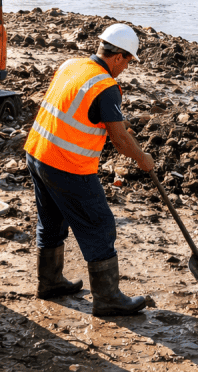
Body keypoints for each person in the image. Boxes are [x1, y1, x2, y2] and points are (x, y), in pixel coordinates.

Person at [25, 23, 155, 315]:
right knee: (99, 226)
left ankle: (50, 282)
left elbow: (74, 107)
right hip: (66, 164)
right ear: (118, 57)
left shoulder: (72, 65)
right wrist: (142, 158)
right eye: (128, 62)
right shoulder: (105, 86)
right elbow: (120, 140)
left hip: (37, 152)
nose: (126, 68)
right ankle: (108, 298)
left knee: (52, 220)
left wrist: (114, 123)